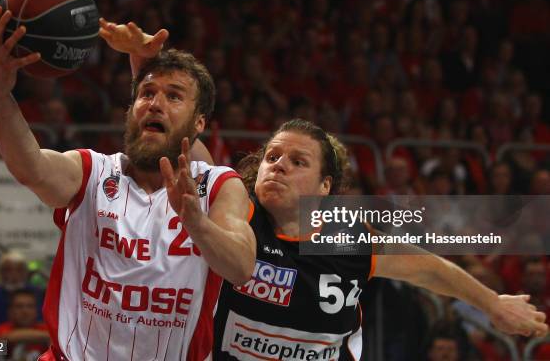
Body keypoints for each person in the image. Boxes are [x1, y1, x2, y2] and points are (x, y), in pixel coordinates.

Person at [0, 6, 255, 360]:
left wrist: (196, 223)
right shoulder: (91, 171)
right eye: (146, 94)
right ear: (130, 110)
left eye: (173, 96)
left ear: (200, 122)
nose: (155, 104)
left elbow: (241, 267)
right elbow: (30, 167)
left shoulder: (218, 186)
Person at [212, 119, 547, 360]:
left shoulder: (346, 238)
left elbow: (429, 269)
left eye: (297, 161)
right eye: (272, 157)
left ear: (324, 187)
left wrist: (494, 304)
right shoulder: (235, 214)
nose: (279, 166)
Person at [0, 250, 44, 325]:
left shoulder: (37, 293)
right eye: (8, 270)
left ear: (26, 273)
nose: (14, 275)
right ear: (0, 273)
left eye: (19, 270)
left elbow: (42, 322)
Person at [0, 288, 50, 360]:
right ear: (10, 311)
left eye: (30, 306)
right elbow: (7, 338)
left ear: (36, 310)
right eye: (19, 306)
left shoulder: (45, 328)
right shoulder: (2, 328)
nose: (25, 311)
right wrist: (50, 336)